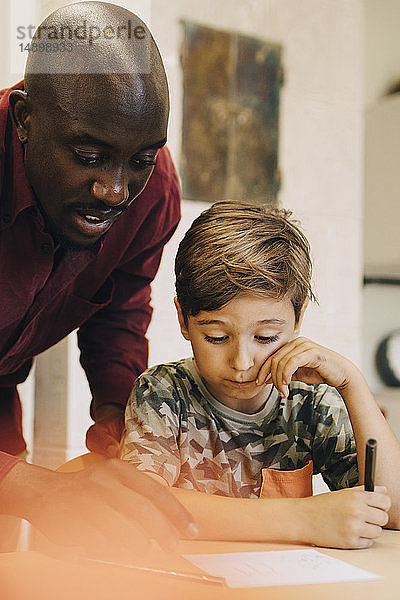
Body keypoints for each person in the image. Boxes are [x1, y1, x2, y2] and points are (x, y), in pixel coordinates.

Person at [0, 2, 198, 552]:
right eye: (90, 156)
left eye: (139, 158)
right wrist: (34, 490)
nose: (115, 190)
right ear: (24, 120)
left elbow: (119, 304)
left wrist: (117, 416)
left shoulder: (151, 192)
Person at [120, 200, 400, 549]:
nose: (241, 361)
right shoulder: (162, 392)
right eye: (217, 337)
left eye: (265, 338)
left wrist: (352, 383)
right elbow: (142, 506)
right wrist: (304, 519)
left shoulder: (312, 405)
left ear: (297, 321)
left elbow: (394, 510)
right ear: (183, 319)